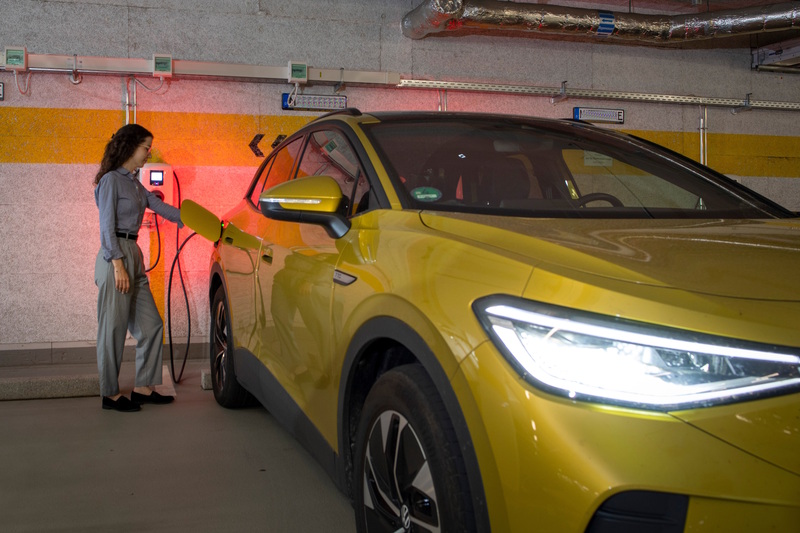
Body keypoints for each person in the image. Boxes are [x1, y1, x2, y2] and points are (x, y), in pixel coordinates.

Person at [93, 123, 183, 412]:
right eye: (146, 147)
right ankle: (110, 394)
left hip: (134, 253)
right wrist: (117, 264)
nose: (149, 153)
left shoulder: (134, 183)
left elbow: (160, 207)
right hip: (115, 256)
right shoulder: (110, 181)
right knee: (113, 328)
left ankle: (143, 388)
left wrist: (196, 218)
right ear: (131, 146)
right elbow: (106, 227)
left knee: (151, 325)